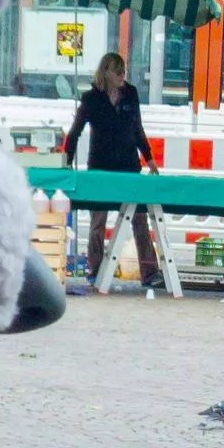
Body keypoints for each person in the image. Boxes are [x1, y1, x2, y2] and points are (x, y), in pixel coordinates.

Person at [63, 40, 162, 295]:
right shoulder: (91, 99)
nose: (122, 76)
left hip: (129, 164)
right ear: (105, 72)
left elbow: (137, 128)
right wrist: (67, 161)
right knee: (98, 221)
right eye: (118, 71)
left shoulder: (131, 94)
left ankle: (150, 272)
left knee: (139, 218)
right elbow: (75, 132)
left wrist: (148, 158)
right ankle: (95, 269)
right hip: (101, 165)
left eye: (124, 72)